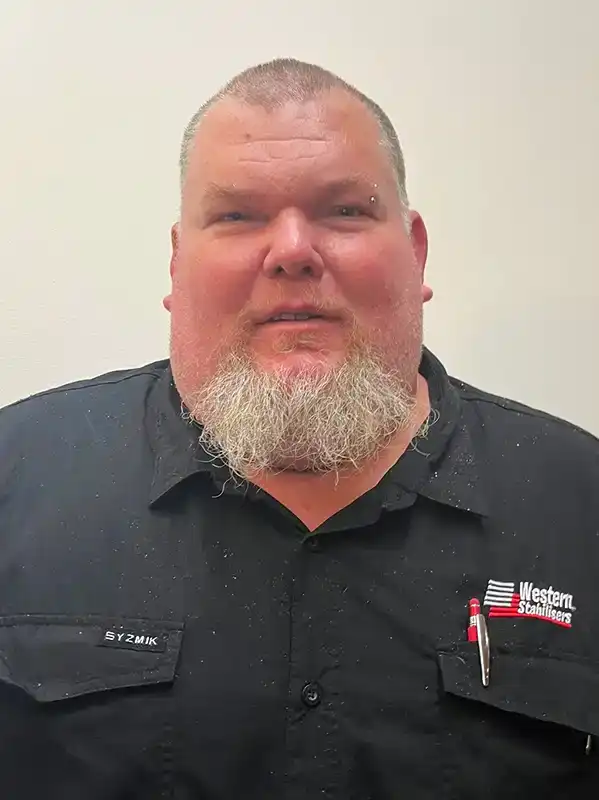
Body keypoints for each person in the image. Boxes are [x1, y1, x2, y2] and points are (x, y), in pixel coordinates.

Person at [0, 58, 598, 800]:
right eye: (237, 215)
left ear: (414, 253)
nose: (290, 251)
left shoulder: (581, 504)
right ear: (178, 260)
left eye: (344, 210)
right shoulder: (17, 480)